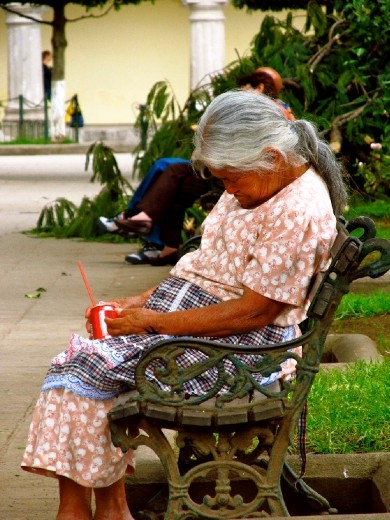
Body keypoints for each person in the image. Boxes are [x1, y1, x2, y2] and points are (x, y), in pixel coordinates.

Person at [21, 89, 347, 520]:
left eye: (231, 179)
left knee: (81, 366)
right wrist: (138, 303)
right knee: (82, 365)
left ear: (272, 156)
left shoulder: (298, 210)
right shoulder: (260, 182)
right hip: (202, 332)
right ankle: (102, 507)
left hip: (241, 353)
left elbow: (255, 313)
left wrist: (153, 322)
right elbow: (204, 266)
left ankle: (91, 510)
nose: (228, 190)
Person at [98, 67, 291, 266]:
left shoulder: (270, 113)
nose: (240, 93)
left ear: (259, 87)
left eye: (244, 89)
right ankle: (162, 242)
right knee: (173, 180)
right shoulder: (251, 109)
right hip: (221, 170)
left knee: (171, 171)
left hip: (233, 174)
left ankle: (137, 221)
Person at [98, 158, 216, 266]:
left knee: (175, 175)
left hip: (218, 167)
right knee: (163, 166)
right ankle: (145, 227)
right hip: (209, 162)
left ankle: (136, 219)